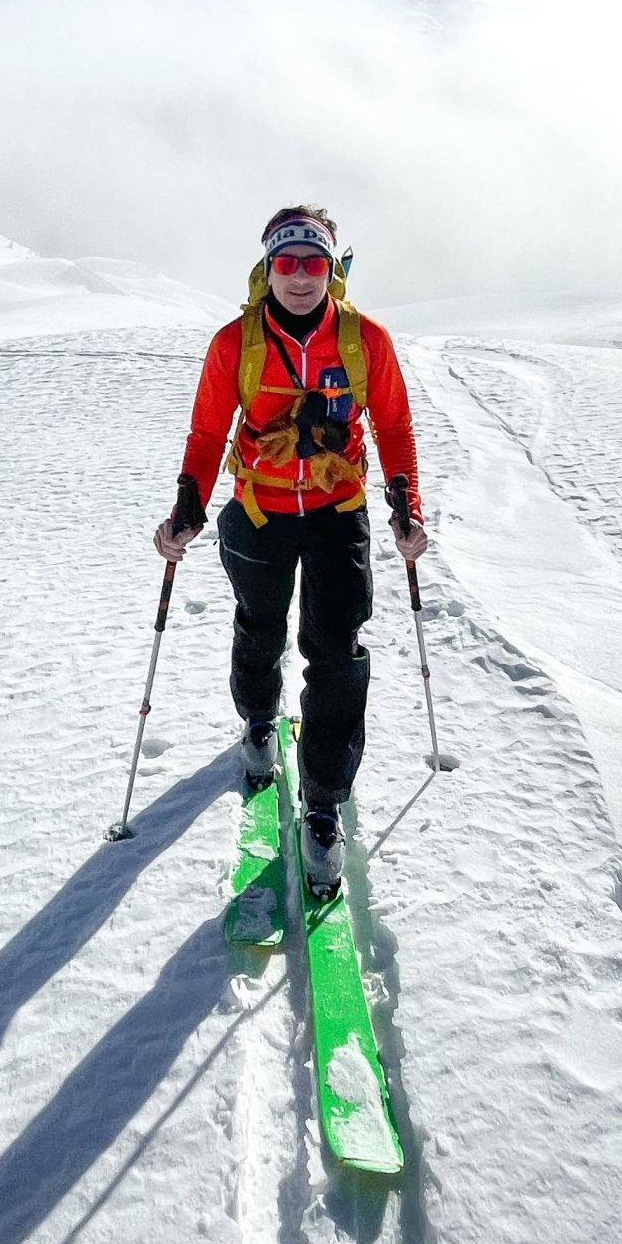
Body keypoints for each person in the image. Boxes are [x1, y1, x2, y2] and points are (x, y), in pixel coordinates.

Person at [154, 204, 428, 897]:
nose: (299, 277)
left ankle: (324, 801)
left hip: (338, 513)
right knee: (259, 627)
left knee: (336, 654)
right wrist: (187, 505)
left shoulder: (366, 341)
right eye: (286, 263)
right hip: (260, 512)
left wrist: (406, 508)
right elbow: (207, 434)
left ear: (331, 271)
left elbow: (392, 426)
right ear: (267, 268)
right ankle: (257, 717)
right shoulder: (233, 344)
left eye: (313, 263)